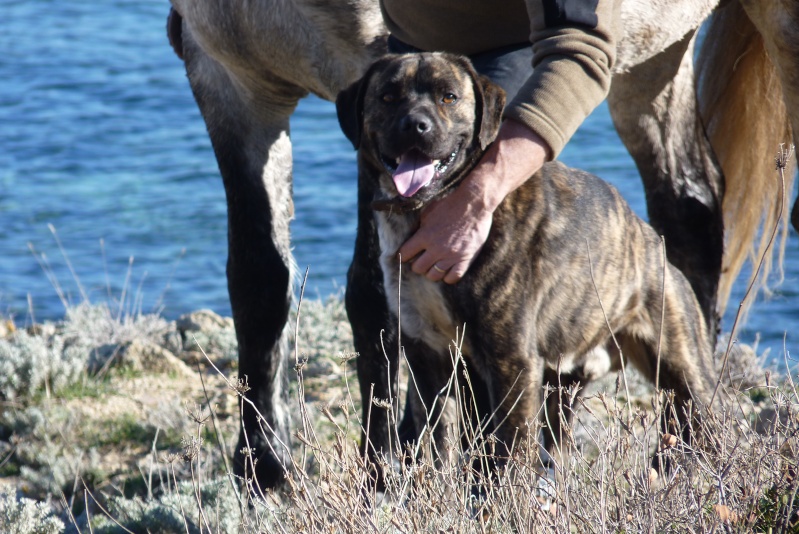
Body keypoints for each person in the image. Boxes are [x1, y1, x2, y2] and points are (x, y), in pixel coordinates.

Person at [380, 0, 622, 283]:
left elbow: (580, 49)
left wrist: (477, 197)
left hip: (518, 47)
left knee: (477, 272)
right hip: (408, 48)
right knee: (372, 283)